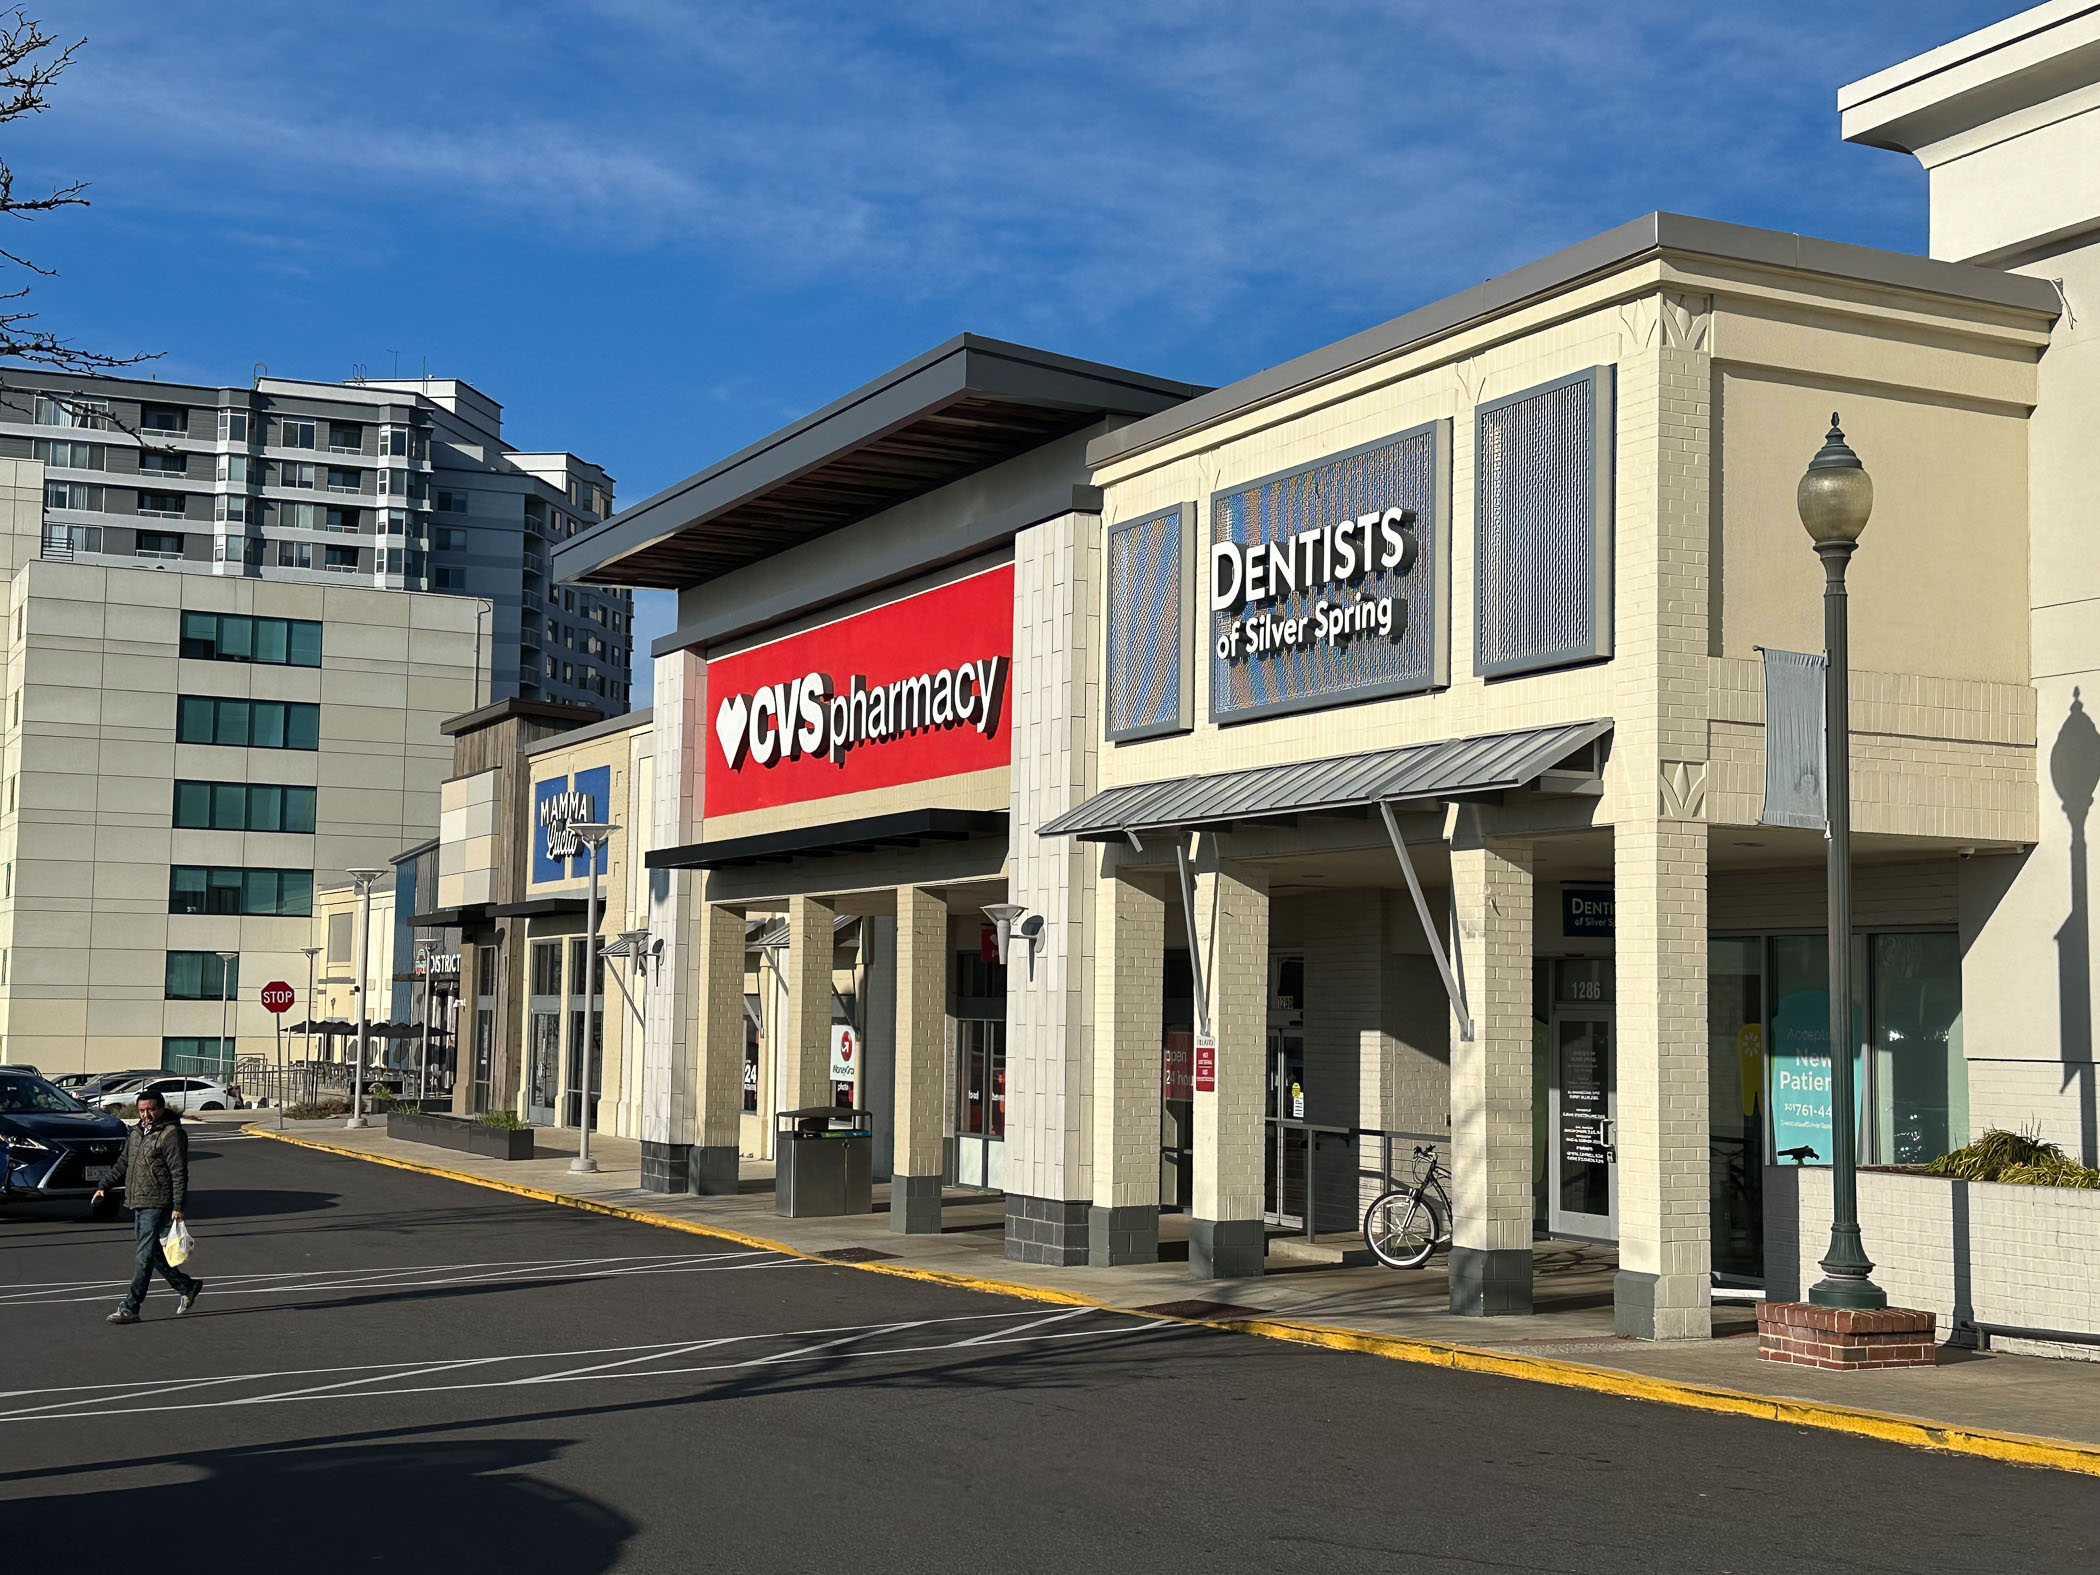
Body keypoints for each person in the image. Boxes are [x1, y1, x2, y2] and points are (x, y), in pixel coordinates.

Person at [93, 1088, 203, 1323]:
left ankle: (130, 1308)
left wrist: (178, 1205)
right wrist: (105, 1185)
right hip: (137, 1201)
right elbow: (125, 1162)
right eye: (142, 1110)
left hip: (158, 1202)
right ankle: (186, 1286)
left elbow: (179, 1172)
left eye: (151, 1109)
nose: (146, 1115)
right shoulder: (135, 1132)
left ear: (161, 1109)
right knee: (152, 1253)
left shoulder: (172, 1134)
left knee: (143, 1257)